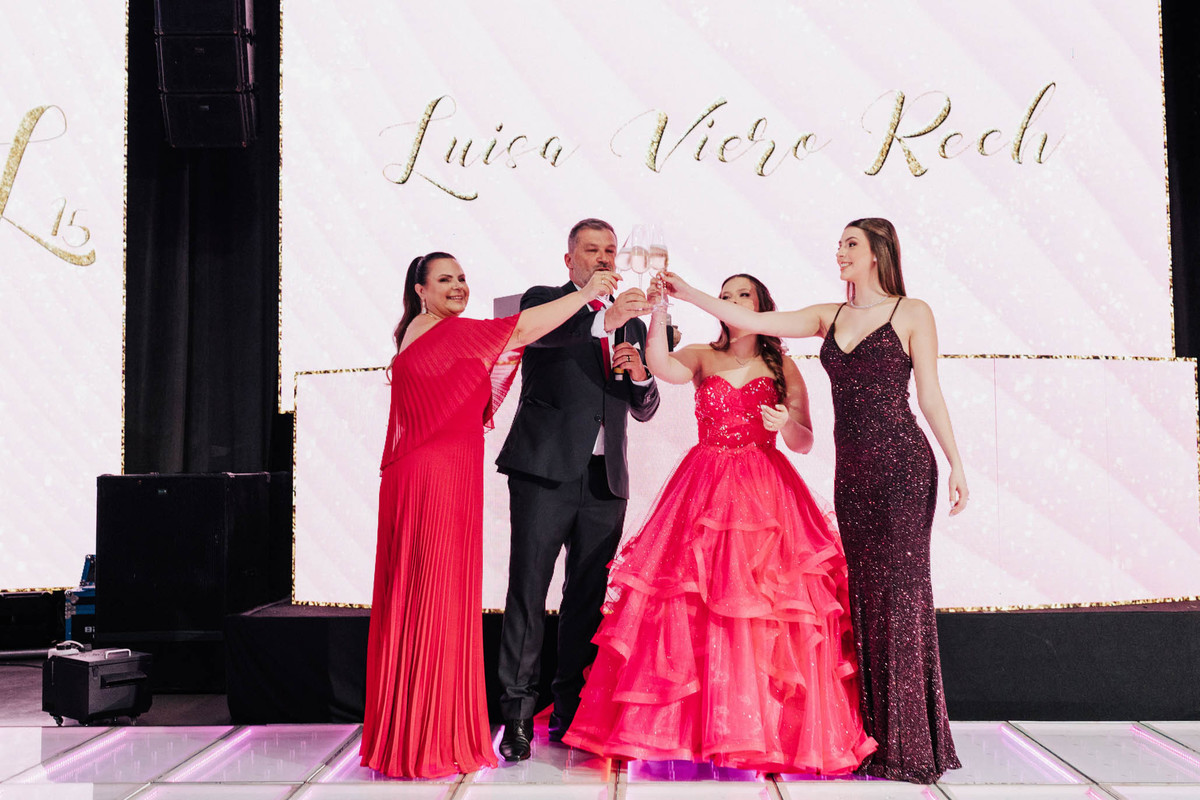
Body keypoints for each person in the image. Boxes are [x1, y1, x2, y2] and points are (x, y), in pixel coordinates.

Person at [660, 218, 968, 783]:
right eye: (840, 243)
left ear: (877, 253)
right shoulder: (830, 315)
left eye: (851, 244)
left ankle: (913, 746)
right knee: (866, 598)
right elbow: (753, 320)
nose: (840, 251)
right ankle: (878, 738)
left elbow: (929, 393)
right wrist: (686, 293)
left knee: (903, 595)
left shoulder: (912, 312)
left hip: (903, 464)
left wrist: (956, 463)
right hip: (853, 474)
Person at [562, 274, 877, 774]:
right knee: (694, 603)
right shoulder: (702, 357)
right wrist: (660, 310)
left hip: (765, 493)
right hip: (704, 487)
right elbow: (661, 365)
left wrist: (785, 425)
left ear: (761, 305)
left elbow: (804, 442)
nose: (731, 302)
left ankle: (758, 729)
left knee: (763, 610)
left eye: (741, 295)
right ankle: (693, 731)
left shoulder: (783, 366)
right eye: (725, 295)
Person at [360, 250, 619, 779]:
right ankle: (429, 737)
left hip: (436, 474)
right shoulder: (446, 333)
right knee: (435, 596)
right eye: (444, 279)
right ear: (420, 291)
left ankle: (419, 729)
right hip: (435, 479)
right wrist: (587, 293)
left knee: (431, 597)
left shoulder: (428, 334)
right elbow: (520, 329)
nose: (458, 286)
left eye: (462, 277)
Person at [494, 218, 661, 761]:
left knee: (586, 598)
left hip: (605, 478)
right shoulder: (543, 300)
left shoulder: (630, 322)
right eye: (591, 250)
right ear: (570, 259)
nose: (603, 258)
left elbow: (644, 407)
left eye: (610, 250)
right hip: (544, 470)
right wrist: (599, 315)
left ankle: (569, 710)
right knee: (529, 590)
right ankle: (517, 715)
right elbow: (542, 335)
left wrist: (640, 374)